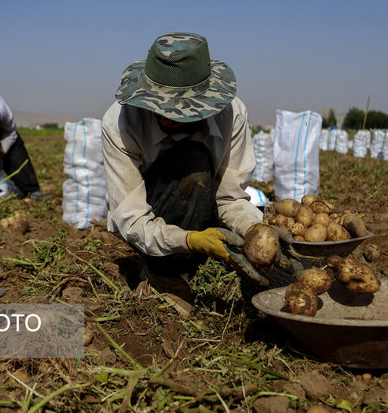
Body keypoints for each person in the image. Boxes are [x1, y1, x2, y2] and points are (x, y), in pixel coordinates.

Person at [102, 32, 275, 314]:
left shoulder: (233, 115)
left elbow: (230, 198)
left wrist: (255, 231)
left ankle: (203, 255)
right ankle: (161, 272)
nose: (170, 116)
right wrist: (189, 240)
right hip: (151, 226)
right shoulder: (120, 125)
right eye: (161, 105)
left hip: (206, 213)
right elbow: (132, 220)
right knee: (191, 162)